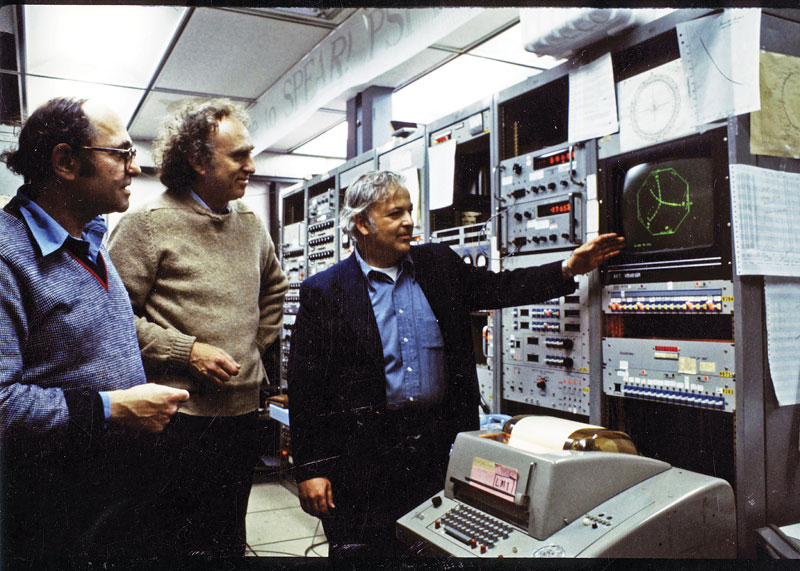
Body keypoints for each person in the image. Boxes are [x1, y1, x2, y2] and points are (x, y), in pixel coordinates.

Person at [287, 170, 625, 556]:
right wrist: (311, 468)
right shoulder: (326, 291)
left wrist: (568, 268)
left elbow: (498, 287)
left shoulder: (437, 264)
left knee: (440, 550)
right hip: (365, 461)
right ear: (363, 224)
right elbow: (306, 388)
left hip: (439, 449)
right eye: (395, 213)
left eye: (410, 210)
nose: (409, 221)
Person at [0, 97, 190, 563]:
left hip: (115, 490)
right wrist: (113, 408)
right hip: (53, 503)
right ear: (66, 161)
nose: (136, 168)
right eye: (122, 154)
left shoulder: (91, 239)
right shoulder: (7, 256)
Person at [107, 98, 289, 557]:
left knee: (227, 539)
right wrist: (186, 352)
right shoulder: (146, 226)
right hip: (176, 422)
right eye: (239, 155)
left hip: (241, 416)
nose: (251, 164)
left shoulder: (250, 223)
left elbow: (275, 289)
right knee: (173, 544)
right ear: (197, 159)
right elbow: (111, 317)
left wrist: (253, 345)